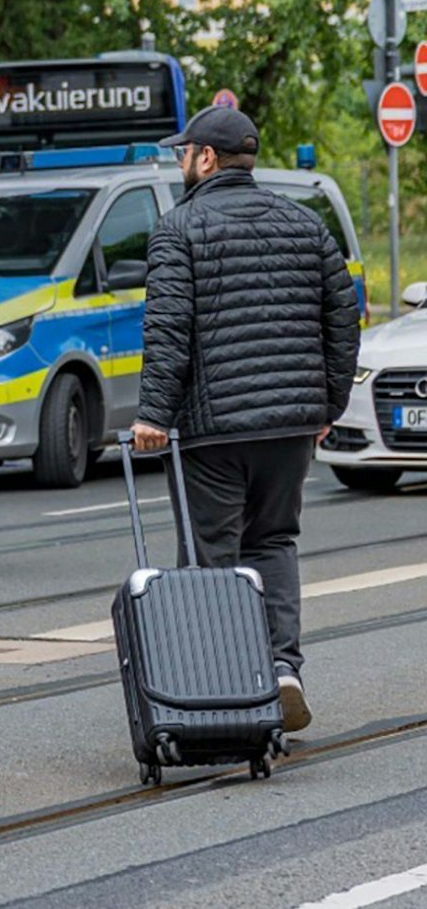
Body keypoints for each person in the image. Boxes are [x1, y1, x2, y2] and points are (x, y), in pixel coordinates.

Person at [131, 106, 359, 735]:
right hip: (290, 425)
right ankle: (284, 668)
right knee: (276, 543)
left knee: (215, 558)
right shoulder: (305, 224)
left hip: (215, 430)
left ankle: (231, 689)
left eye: (184, 153)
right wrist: (327, 406)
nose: (181, 163)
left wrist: (153, 414)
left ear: (205, 158)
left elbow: (169, 328)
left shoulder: (177, 228)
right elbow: (343, 320)